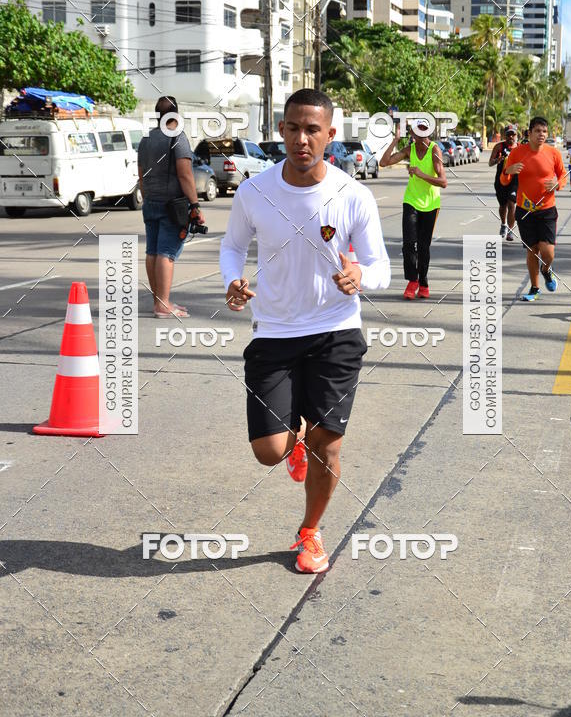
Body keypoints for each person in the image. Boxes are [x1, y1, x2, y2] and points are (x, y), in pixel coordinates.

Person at [219, 88, 390, 574]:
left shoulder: (352, 195)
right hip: (274, 332)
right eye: (293, 128)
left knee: (328, 444)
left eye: (312, 129)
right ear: (281, 131)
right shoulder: (255, 191)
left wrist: (360, 276)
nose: (301, 139)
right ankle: (293, 438)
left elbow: (380, 267)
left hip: (336, 331)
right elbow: (232, 247)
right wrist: (232, 280)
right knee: (269, 452)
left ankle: (310, 531)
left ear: (330, 134)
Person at [137, 96, 205, 318]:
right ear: (176, 113)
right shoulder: (177, 137)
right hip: (172, 205)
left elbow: (141, 174)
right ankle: (163, 305)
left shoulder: (146, 139)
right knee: (166, 253)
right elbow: (185, 174)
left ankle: (159, 301)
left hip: (150, 202)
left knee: (153, 252)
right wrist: (195, 205)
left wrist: (148, 197)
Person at [500, 116, 568, 302]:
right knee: (532, 250)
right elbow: (503, 180)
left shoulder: (553, 153)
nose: (541, 134)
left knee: (548, 252)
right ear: (529, 133)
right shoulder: (517, 153)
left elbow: (563, 175)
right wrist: (507, 171)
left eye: (544, 131)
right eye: (537, 131)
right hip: (525, 210)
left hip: (547, 209)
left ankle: (546, 269)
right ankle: (535, 288)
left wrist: (558, 183)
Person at [380, 118, 447, 299]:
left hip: (431, 204)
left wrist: (420, 174)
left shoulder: (434, 150)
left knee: (423, 247)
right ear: (412, 133)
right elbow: (384, 163)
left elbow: (443, 182)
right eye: (419, 130)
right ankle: (412, 281)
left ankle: (423, 282)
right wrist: (395, 140)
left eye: (425, 130)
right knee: (409, 244)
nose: (422, 134)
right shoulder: (409, 150)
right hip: (411, 201)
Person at [489, 124, 518, 240]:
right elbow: (490, 163)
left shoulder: (520, 148)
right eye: (508, 134)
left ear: (516, 135)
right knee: (503, 205)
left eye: (513, 134)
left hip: (514, 180)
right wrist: (498, 160)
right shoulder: (499, 147)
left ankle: (510, 230)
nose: (511, 137)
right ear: (505, 135)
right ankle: (503, 224)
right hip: (501, 179)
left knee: (511, 204)